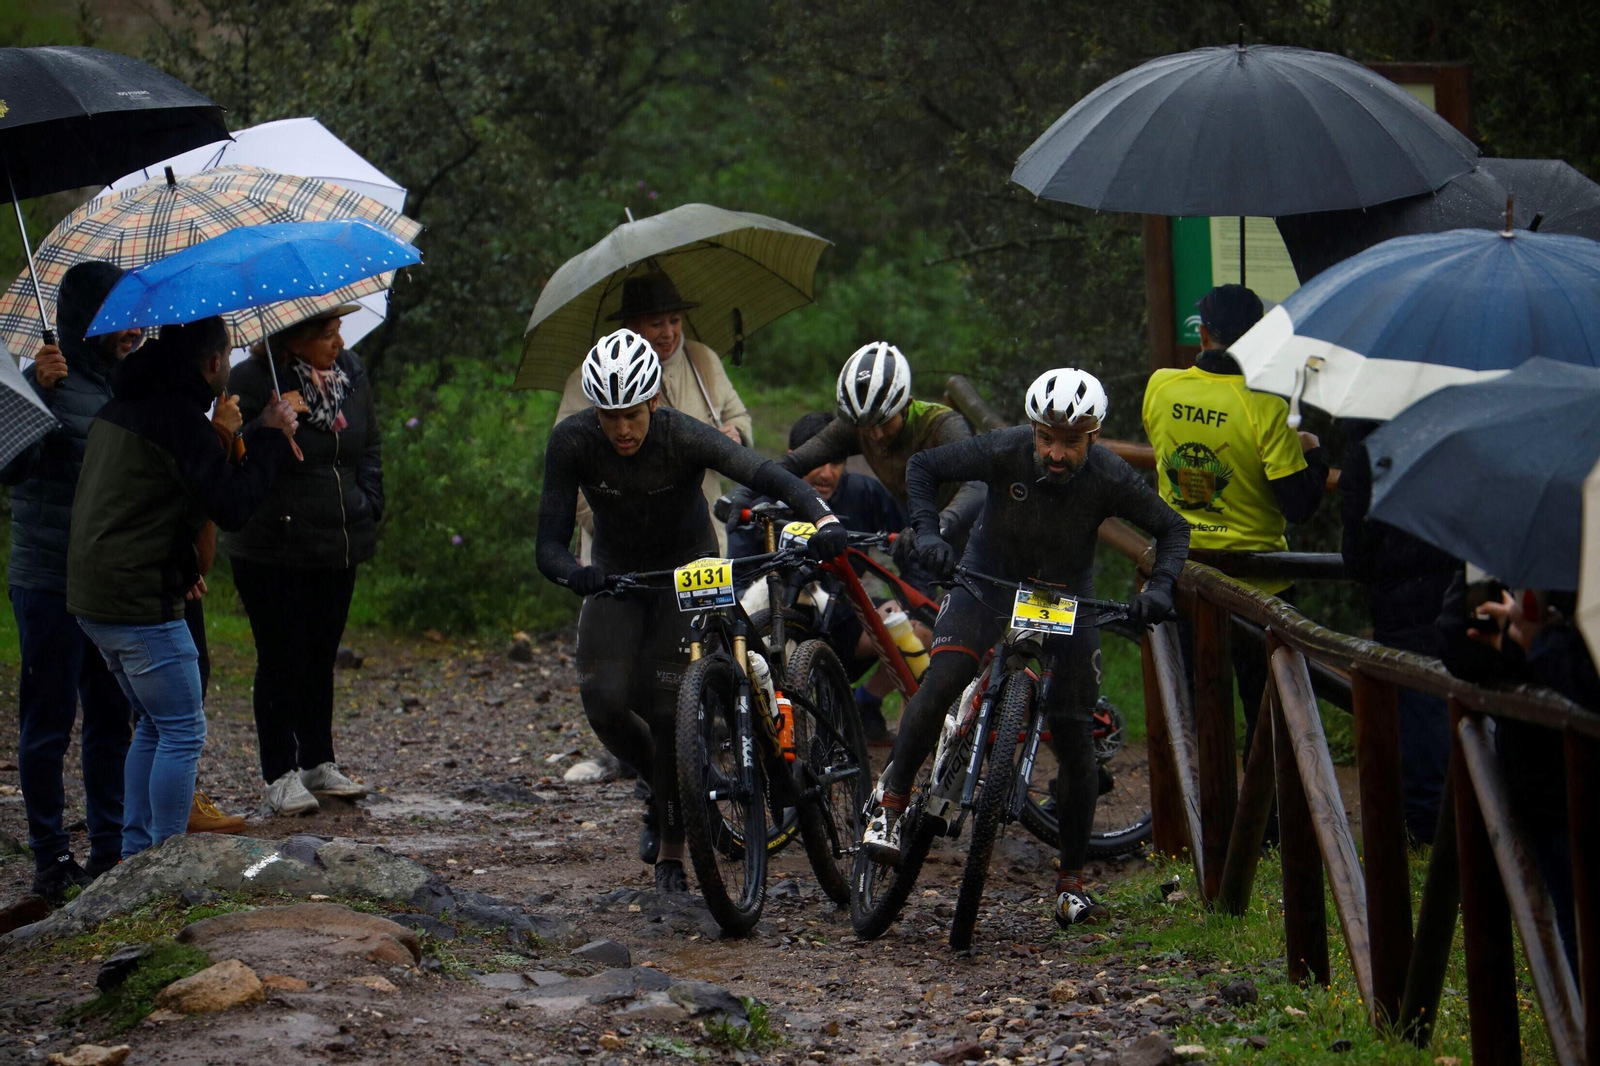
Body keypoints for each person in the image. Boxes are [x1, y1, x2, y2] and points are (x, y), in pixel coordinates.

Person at [864, 368, 1189, 928]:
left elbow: (1173, 529)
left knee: (1074, 734)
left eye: (1070, 441)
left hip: (1065, 598)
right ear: (1032, 430)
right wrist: (931, 533)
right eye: (1046, 438)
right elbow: (924, 467)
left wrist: (1159, 587)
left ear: (1094, 435)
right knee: (942, 680)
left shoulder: (1109, 474)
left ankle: (1071, 883)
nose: (1055, 453)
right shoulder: (1008, 448)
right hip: (987, 580)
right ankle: (890, 803)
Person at [537, 329, 846, 893]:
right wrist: (575, 572)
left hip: (687, 569)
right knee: (604, 702)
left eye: (633, 412)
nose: (623, 429)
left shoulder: (682, 435)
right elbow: (548, 546)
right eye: (610, 416)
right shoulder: (573, 441)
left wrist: (821, 517)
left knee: (665, 706)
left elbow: (763, 472)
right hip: (618, 575)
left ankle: (672, 859)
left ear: (654, 400)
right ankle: (665, 782)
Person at [67, 317, 298, 858]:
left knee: (152, 721)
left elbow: (142, 505)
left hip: (96, 594)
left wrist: (178, 563)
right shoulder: (176, 419)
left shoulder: (122, 404)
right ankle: (165, 861)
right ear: (214, 362)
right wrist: (268, 436)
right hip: (135, 599)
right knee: (182, 730)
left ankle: (136, 854)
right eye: (230, 351)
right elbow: (232, 506)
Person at [0, 262, 139, 901]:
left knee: (113, 718)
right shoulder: (41, 378)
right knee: (50, 723)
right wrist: (38, 393)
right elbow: (11, 469)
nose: (132, 328)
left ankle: (110, 852)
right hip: (48, 580)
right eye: (118, 316)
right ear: (89, 319)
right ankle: (50, 859)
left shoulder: (127, 386)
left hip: (107, 585)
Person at [1141, 284, 1327, 758]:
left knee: (1198, 706)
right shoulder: (1267, 406)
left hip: (1186, 578)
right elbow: (1300, 505)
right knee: (1269, 713)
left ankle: (1204, 825)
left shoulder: (1160, 386)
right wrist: (1311, 451)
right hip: (1260, 588)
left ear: (1202, 334)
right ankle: (1267, 826)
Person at [223, 304, 383, 816]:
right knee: (281, 656)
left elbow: (369, 444)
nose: (339, 343)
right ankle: (279, 772)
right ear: (294, 339)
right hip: (273, 546)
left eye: (339, 332)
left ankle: (318, 760)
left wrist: (369, 501)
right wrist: (270, 426)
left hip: (338, 539)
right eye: (328, 334)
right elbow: (230, 458)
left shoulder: (351, 373)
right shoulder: (251, 381)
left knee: (320, 653)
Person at [728, 411, 929, 742]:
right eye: (817, 462)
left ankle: (867, 702)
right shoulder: (764, 498)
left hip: (844, 618)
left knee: (917, 631)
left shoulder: (866, 492)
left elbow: (911, 546)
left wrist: (918, 594)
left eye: (836, 462)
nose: (827, 472)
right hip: (779, 621)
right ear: (794, 457)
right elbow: (738, 574)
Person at [1437, 576, 1599, 972]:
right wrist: (1525, 644)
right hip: (1550, 785)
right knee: (1577, 929)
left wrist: (1534, 644)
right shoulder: (1513, 542)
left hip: (1561, 779)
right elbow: (1456, 639)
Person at [556, 271, 753, 558]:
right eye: (656, 323)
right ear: (630, 325)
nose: (669, 333)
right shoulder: (591, 377)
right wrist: (607, 527)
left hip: (700, 536)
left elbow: (738, 414)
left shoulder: (703, 361)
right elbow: (569, 466)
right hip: (616, 550)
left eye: (674, 320)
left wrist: (735, 433)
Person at [736, 342, 984, 550]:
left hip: (986, 530)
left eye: (884, 422)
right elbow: (794, 462)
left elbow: (977, 483)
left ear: (906, 405)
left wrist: (935, 527)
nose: (875, 434)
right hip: (936, 539)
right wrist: (742, 493)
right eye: (864, 426)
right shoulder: (855, 427)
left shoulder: (940, 424)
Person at [1338, 419, 1458, 845]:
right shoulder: (1454, 425)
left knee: (1415, 705)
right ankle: (1456, 818)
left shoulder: (1369, 446)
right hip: (1459, 578)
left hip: (1399, 593)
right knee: (1453, 698)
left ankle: (1425, 826)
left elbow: (1356, 550)